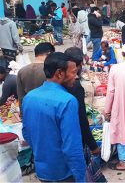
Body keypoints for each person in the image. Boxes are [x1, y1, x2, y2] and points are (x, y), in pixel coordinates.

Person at [22, 52, 86, 182]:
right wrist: (80, 177)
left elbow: (26, 132)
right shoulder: (67, 101)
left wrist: (42, 151)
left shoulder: (29, 97)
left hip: (42, 169)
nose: (76, 76)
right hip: (64, 172)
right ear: (59, 73)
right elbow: (72, 147)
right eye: (73, 72)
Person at [64, 47, 105, 181]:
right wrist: (93, 145)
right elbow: (81, 117)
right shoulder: (74, 86)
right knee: (79, 173)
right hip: (74, 139)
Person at [17, 43, 55, 111]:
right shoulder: (50, 70)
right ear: (49, 54)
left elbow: (21, 96)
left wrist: (22, 114)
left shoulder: (22, 71)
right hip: (47, 109)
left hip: (30, 109)